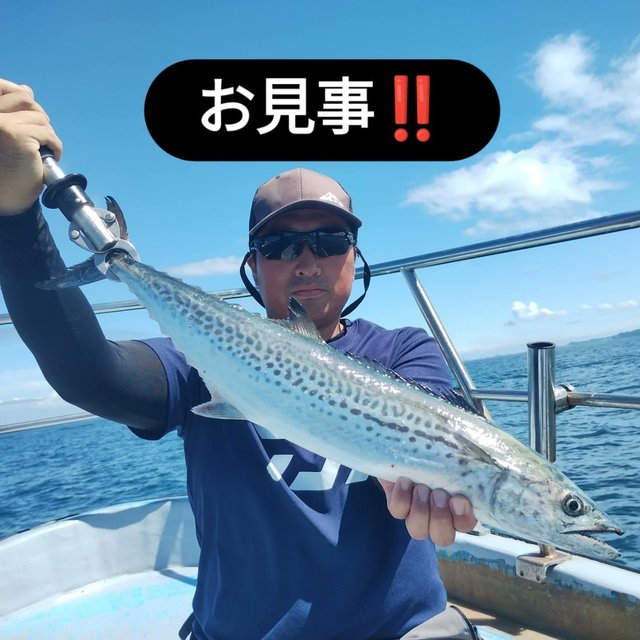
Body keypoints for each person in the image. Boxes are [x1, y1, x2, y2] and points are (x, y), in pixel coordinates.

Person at [0, 78, 480, 640]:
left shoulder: (402, 352)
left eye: (329, 241)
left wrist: (440, 481)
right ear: (253, 265)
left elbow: (443, 428)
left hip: (402, 630)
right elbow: (90, 376)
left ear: (354, 255)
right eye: (280, 246)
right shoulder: (200, 361)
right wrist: (14, 216)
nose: (307, 262)